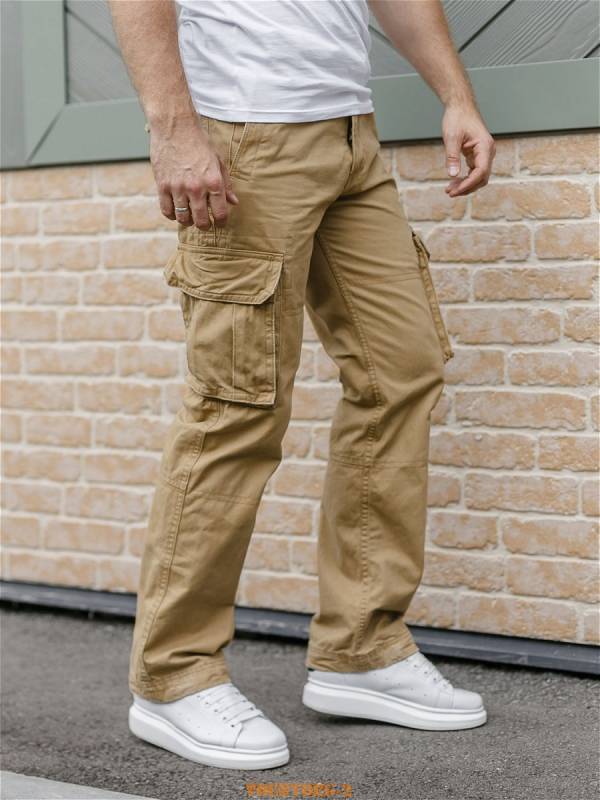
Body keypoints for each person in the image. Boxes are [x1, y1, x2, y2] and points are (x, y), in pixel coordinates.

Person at [108, 0, 496, 770]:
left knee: (401, 371)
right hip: (246, 132)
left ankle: (362, 647)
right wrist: (174, 128)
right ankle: (174, 673)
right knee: (237, 404)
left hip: (351, 135)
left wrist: (456, 94)